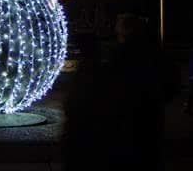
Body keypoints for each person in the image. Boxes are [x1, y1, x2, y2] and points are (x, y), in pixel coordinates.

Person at [64, 14, 165, 170]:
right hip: (144, 133)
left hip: (128, 134)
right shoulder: (149, 53)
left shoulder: (122, 57)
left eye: (118, 25)